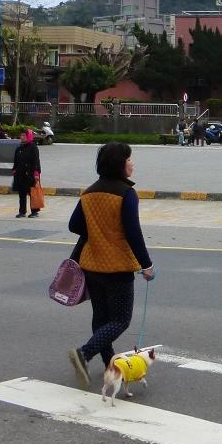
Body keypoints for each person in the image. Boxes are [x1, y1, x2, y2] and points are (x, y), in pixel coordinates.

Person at [66, 142, 156, 389]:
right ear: (119, 164)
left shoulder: (89, 193)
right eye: (129, 159)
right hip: (118, 266)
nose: (132, 163)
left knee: (101, 318)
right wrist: (146, 264)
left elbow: (74, 225)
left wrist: (97, 230)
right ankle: (84, 353)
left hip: (91, 264)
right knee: (121, 320)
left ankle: (110, 365)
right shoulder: (126, 193)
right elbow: (133, 232)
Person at [13, 129, 42, 218]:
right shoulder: (19, 147)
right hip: (20, 174)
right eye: (21, 135)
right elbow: (16, 160)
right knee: (21, 194)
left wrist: (36, 173)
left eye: (24, 136)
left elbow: (36, 161)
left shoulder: (33, 147)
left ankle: (35, 211)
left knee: (33, 193)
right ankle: (22, 211)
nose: (22, 137)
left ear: (29, 136)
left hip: (30, 174)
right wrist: (14, 170)